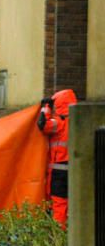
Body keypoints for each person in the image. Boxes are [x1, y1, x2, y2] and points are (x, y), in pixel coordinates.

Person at [37, 89, 77, 229]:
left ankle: (58, 234)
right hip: (74, 169)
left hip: (58, 171)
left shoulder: (59, 123)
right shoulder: (78, 121)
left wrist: (45, 107)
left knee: (58, 203)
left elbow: (42, 124)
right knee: (70, 203)